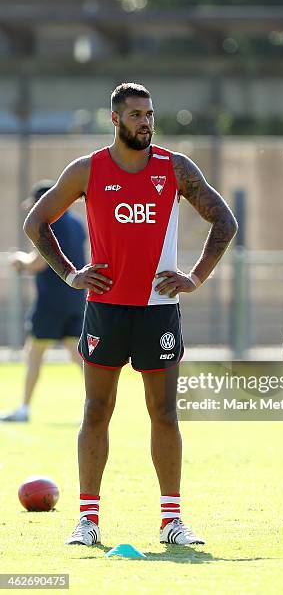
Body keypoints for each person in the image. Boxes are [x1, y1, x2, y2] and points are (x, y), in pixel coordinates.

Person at [23, 82, 237, 546]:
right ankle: (88, 521)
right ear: (115, 119)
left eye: (150, 114)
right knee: (96, 410)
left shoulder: (174, 168)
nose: (146, 121)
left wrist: (195, 277)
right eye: (137, 114)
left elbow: (225, 220)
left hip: (159, 310)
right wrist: (71, 274)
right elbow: (35, 222)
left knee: (164, 412)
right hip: (104, 310)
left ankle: (172, 521)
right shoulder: (87, 170)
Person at [0, 180, 86, 423]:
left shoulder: (49, 222)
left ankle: (24, 409)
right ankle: (98, 406)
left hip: (51, 302)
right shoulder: (78, 224)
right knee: (78, 356)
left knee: (34, 353)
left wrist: (20, 262)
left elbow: (38, 262)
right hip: (76, 300)